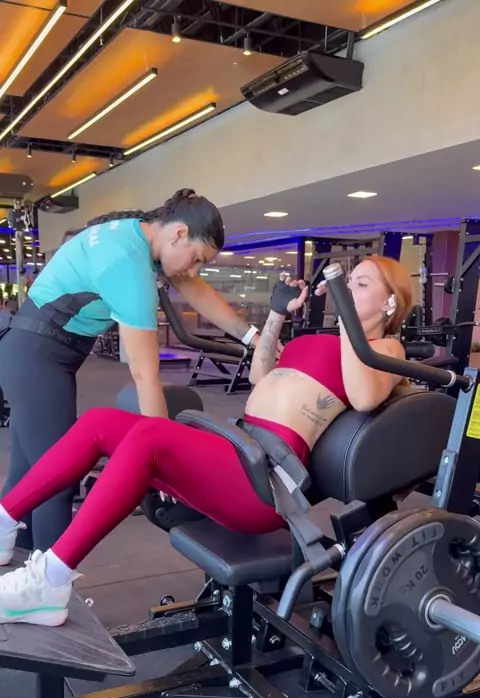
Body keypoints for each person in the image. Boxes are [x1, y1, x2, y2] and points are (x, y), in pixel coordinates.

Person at [0, 255, 413, 627]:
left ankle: (50, 581)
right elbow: (259, 376)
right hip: (239, 451)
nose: (346, 290)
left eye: (360, 284)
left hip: (265, 485)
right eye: (346, 282)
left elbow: (364, 397)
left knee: (149, 435)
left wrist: (348, 323)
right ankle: (4, 521)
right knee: (99, 422)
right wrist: (276, 314)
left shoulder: (385, 349)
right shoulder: (314, 342)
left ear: (390, 303)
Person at [0, 189, 263, 554]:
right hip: (39, 356)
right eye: (196, 259)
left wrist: (254, 338)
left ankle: (14, 545)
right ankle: (47, 579)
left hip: (33, 351)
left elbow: (196, 290)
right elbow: (145, 377)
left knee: (30, 467)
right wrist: (166, 458)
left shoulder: (138, 234)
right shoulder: (129, 268)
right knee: (58, 477)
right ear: (179, 234)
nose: (194, 270)